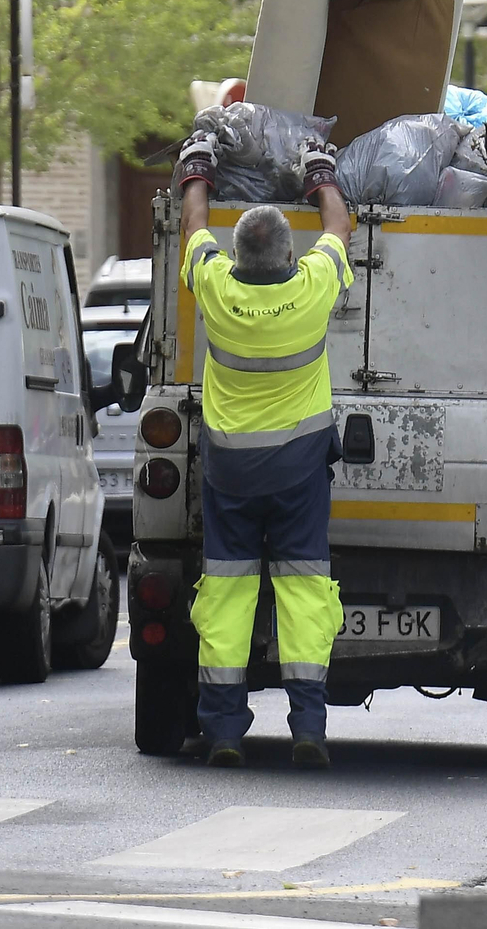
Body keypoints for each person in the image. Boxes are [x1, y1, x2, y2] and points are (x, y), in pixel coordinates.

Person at [173, 128, 353, 769]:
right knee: (304, 590)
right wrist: (321, 173)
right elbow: (340, 227)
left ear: (238, 255)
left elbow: (195, 226)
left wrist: (198, 169)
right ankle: (308, 727)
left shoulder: (217, 290)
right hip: (299, 473)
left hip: (230, 474)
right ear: (287, 254)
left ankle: (223, 731)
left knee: (226, 593)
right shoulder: (310, 292)